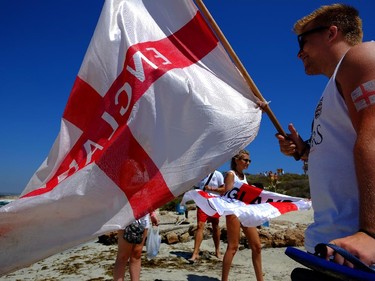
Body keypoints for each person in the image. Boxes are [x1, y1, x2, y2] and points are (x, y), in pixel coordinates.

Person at [275, 3, 375, 276]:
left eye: (303, 41)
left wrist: (371, 233)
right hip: (334, 248)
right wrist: (304, 150)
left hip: (358, 254)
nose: (299, 53)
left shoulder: (362, 57)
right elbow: (340, 150)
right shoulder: (335, 86)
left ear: (332, 33)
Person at [221, 150, 264, 281]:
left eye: (249, 161)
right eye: (245, 160)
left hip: (245, 211)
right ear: (236, 160)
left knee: (256, 246)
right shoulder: (231, 174)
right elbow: (228, 194)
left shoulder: (243, 176)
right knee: (233, 247)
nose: (248, 163)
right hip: (233, 212)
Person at [189, 170, 225, 262]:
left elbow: (224, 189)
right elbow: (196, 190)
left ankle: (217, 251)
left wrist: (212, 189)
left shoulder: (218, 174)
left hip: (214, 203)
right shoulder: (199, 175)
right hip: (203, 203)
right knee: (199, 226)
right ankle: (195, 253)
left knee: (215, 226)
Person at [113, 212, 159, 281]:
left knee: (136, 254)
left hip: (143, 215)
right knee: (123, 256)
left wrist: (152, 214)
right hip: (125, 215)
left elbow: (147, 200)